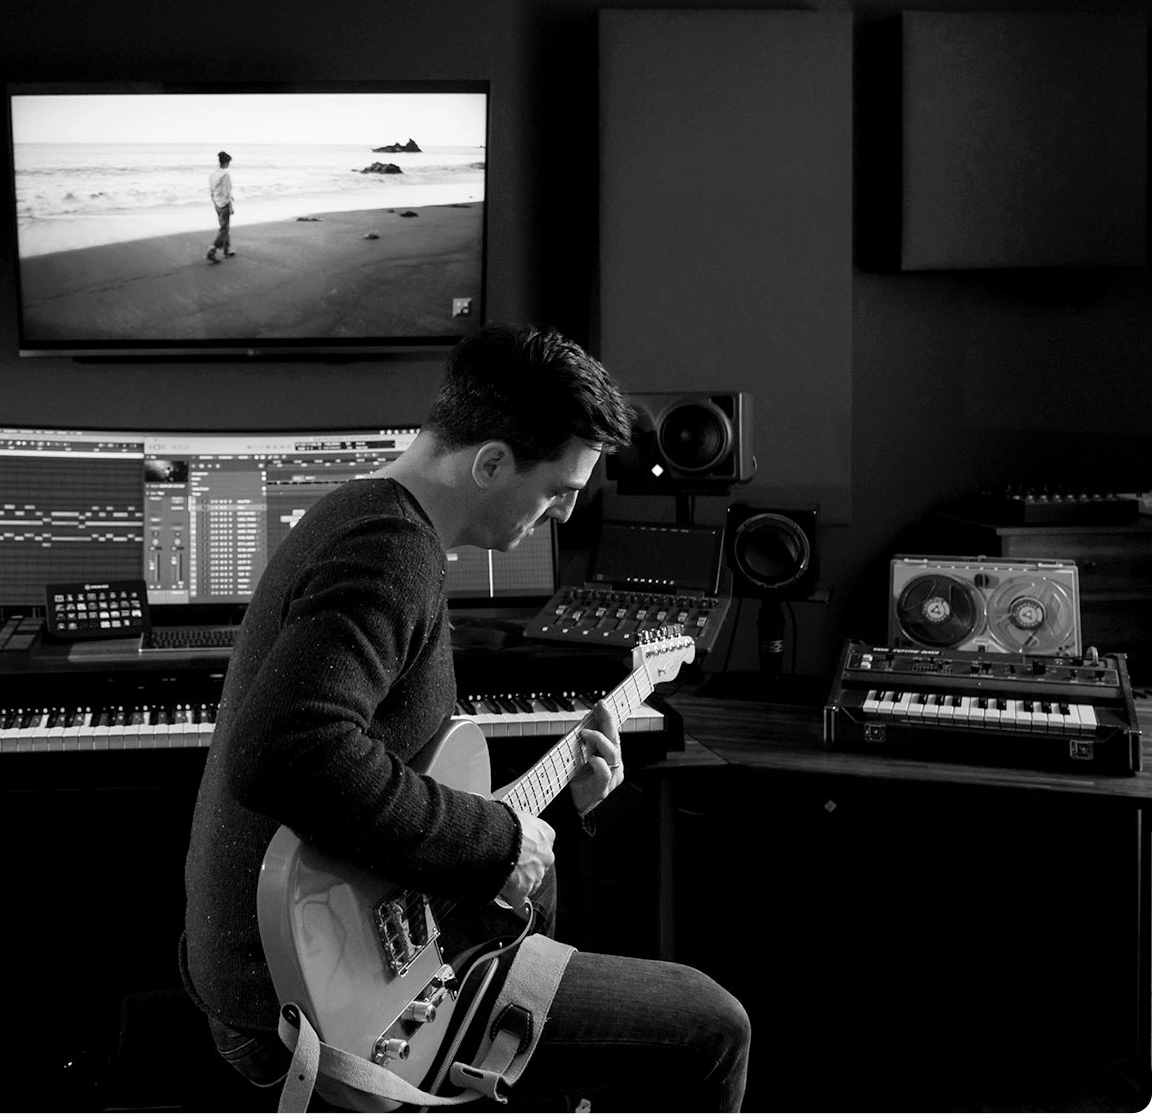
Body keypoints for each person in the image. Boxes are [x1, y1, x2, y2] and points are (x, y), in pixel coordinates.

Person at [179, 324, 750, 1112]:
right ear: (490, 463)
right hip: (304, 1000)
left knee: (541, 905)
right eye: (557, 489)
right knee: (715, 1027)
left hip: (297, 967)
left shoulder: (365, 515)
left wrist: (550, 798)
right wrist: (496, 840)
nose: (563, 514)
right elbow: (287, 751)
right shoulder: (390, 549)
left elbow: (393, 770)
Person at [206, 150, 234, 263]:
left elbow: (212, 190)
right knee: (224, 229)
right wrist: (230, 206)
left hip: (216, 203)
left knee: (224, 227)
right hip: (223, 204)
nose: (229, 165)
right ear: (226, 162)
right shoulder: (225, 175)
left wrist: (214, 200)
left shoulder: (213, 174)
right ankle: (212, 251)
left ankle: (226, 250)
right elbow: (227, 193)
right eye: (229, 162)